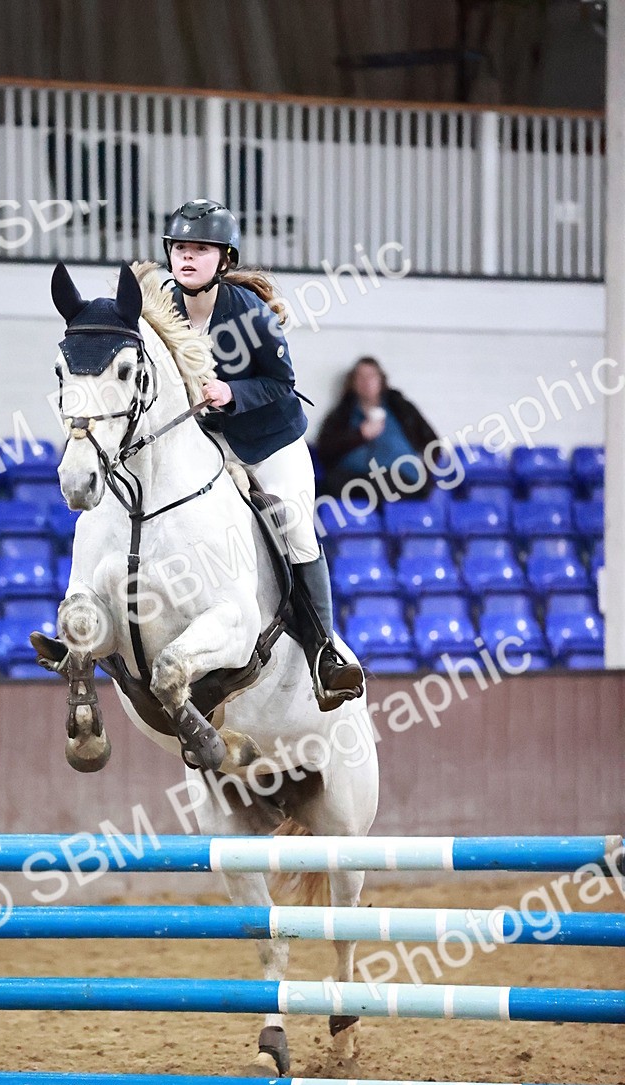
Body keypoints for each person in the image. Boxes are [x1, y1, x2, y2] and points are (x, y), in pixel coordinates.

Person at [162, 198, 364, 711]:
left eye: (200, 249)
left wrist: (233, 393)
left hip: (269, 439)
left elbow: (282, 383)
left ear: (223, 260)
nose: (187, 257)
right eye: (180, 248)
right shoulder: (160, 306)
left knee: (295, 528)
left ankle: (324, 655)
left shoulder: (248, 312)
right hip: (207, 439)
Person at [316, 356, 439, 504]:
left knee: (383, 482)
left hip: (397, 478)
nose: (366, 382)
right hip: (355, 478)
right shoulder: (342, 413)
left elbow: (433, 444)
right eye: (360, 377)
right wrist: (360, 435)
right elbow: (325, 449)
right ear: (353, 382)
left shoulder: (401, 408)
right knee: (330, 484)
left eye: (371, 376)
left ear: (381, 380)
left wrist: (424, 473)